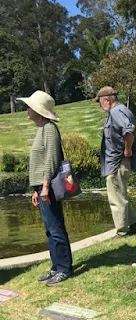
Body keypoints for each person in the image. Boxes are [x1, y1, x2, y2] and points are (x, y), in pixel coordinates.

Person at [16, 90, 73, 286]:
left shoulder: (49, 128)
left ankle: (65, 268)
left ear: (38, 111)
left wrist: (46, 186)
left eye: (29, 107)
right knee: (49, 229)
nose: (26, 111)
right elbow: (41, 162)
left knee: (56, 227)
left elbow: (51, 159)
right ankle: (56, 266)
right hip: (41, 186)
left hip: (47, 185)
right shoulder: (41, 128)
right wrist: (36, 189)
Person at [95, 86, 136, 238]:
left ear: (107, 100)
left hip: (117, 162)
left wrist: (127, 149)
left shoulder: (116, 112)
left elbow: (128, 131)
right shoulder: (121, 110)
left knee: (116, 197)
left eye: (100, 101)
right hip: (117, 161)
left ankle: (122, 231)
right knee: (120, 195)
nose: (99, 105)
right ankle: (135, 224)